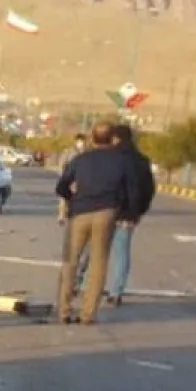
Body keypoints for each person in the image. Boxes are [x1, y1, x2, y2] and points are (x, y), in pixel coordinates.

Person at [54, 121, 136, 325]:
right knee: (98, 264)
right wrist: (124, 212)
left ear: (92, 138)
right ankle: (88, 313)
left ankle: (64, 310)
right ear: (112, 139)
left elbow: (62, 185)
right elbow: (129, 191)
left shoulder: (81, 160)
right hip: (106, 213)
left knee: (70, 261)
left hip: (80, 212)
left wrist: (71, 199)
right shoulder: (121, 162)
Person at [75, 123, 155, 306]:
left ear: (115, 138)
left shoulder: (111, 158)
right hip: (128, 215)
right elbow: (148, 189)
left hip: (105, 209)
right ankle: (116, 292)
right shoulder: (141, 160)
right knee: (121, 252)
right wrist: (137, 212)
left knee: (92, 250)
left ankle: (82, 285)